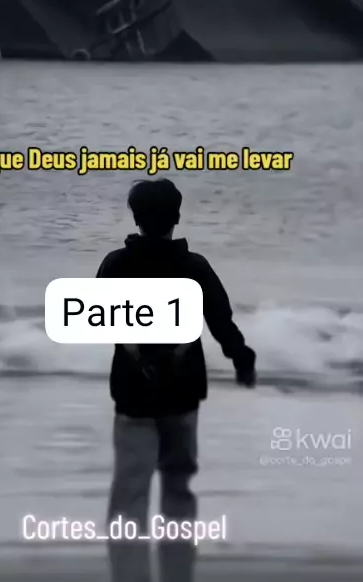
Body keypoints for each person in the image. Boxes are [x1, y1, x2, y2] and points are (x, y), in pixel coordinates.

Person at [96, 178, 256, 582]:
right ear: (177, 217)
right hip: (182, 393)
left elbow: (97, 320)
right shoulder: (193, 267)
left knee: (130, 488)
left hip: (133, 394)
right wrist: (241, 358)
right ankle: (178, 568)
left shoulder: (116, 265)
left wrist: (134, 349)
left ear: (135, 218)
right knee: (178, 484)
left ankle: (127, 571)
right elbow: (220, 321)